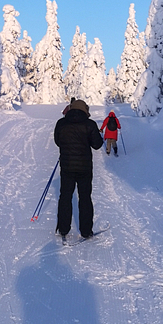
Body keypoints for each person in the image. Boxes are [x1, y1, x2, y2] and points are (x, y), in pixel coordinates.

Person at [54, 98, 103, 240]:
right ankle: (86, 231)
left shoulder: (61, 123)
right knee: (85, 198)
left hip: (67, 166)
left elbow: (58, 142)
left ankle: (63, 229)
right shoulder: (90, 124)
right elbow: (97, 145)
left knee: (65, 197)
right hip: (85, 168)